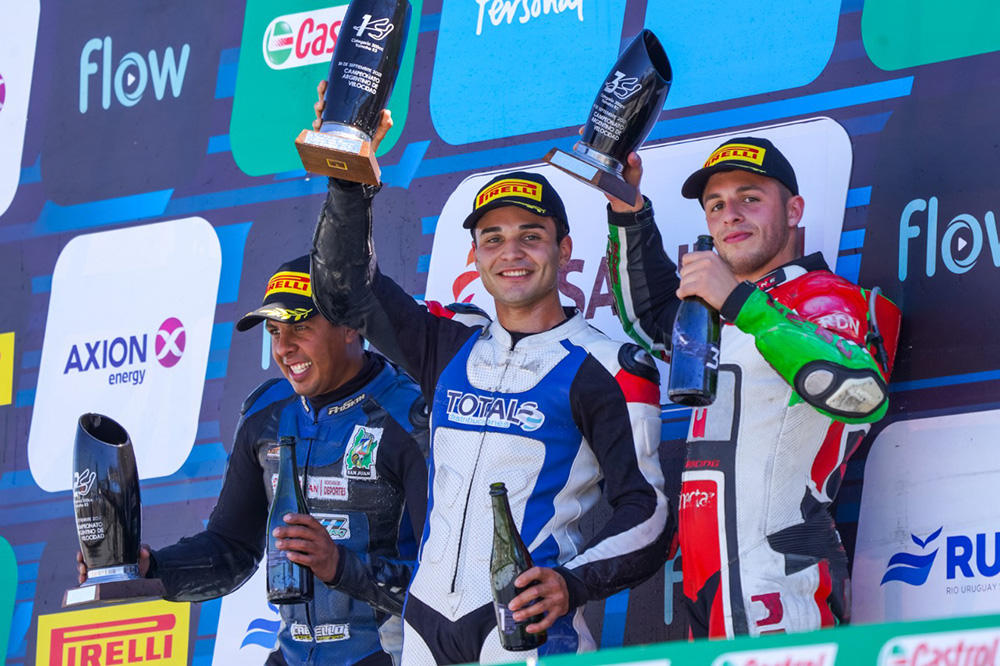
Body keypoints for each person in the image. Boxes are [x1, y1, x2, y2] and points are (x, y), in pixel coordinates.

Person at [307, 88, 671, 665]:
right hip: (426, 624)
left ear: (564, 249)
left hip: (528, 628)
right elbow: (345, 290)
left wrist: (572, 583)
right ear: (475, 256)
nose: (512, 253)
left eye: (531, 236)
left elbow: (647, 510)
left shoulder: (605, 367)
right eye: (493, 239)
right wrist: (348, 172)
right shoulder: (448, 345)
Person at [603, 137, 901, 637]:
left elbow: (862, 393)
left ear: (794, 210)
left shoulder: (826, 296)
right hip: (704, 582)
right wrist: (627, 210)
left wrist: (741, 303)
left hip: (782, 576)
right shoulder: (716, 318)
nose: (731, 215)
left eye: (750, 198)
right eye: (716, 205)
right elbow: (648, 318)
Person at [77, 255, 430, 666]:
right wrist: (151, 569)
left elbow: (447, 586)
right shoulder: (267, 412)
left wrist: (340, 567)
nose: (283, 348)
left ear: (351, 325)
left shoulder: (412, 417)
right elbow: (231, 550)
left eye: (300, 327)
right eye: (275, 331)